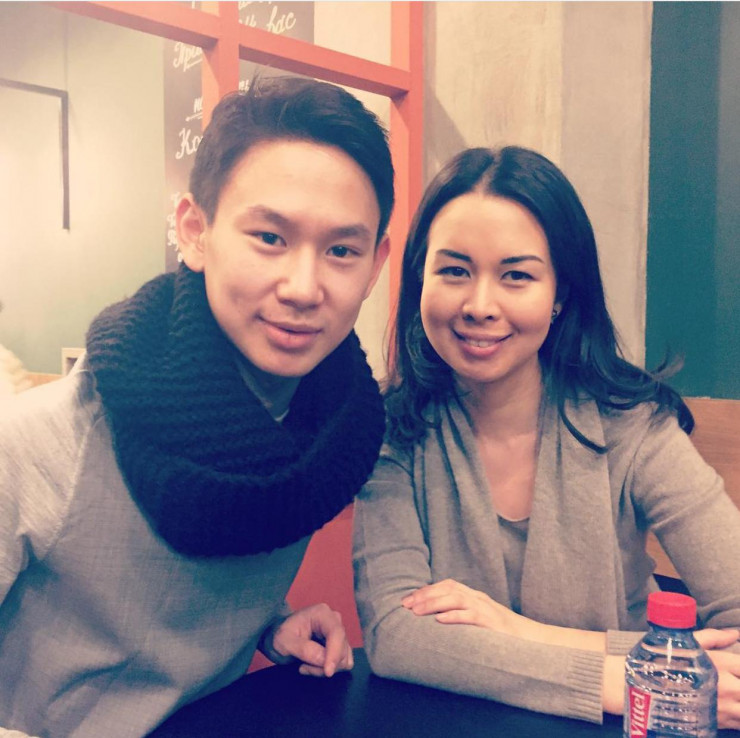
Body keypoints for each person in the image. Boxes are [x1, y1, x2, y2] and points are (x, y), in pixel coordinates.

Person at [0, 75, 392, 738]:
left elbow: (176, 585)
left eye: (341, 251)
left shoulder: (326, 437)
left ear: (375, 265)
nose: (303, 287)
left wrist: (271, 622)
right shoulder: (41, 443)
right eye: (270, 237)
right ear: (194, 231)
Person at [353, 146, 740, 728]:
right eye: (454, 271)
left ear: (560, 293)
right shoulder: (392, 431)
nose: (480, 305)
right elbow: (395, 636)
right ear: (420, 280)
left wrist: (520, 632)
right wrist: (627, 670)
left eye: (517, 275)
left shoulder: (635, 426)